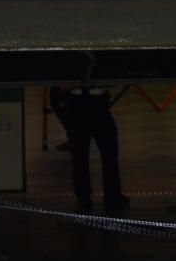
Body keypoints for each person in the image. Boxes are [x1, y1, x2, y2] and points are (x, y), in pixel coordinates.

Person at [54, 85, 130, 214]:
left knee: (81, 153)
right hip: (94, 101)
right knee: (108, 150)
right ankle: (111, 196)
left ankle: (85, 197)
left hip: (79, 101)